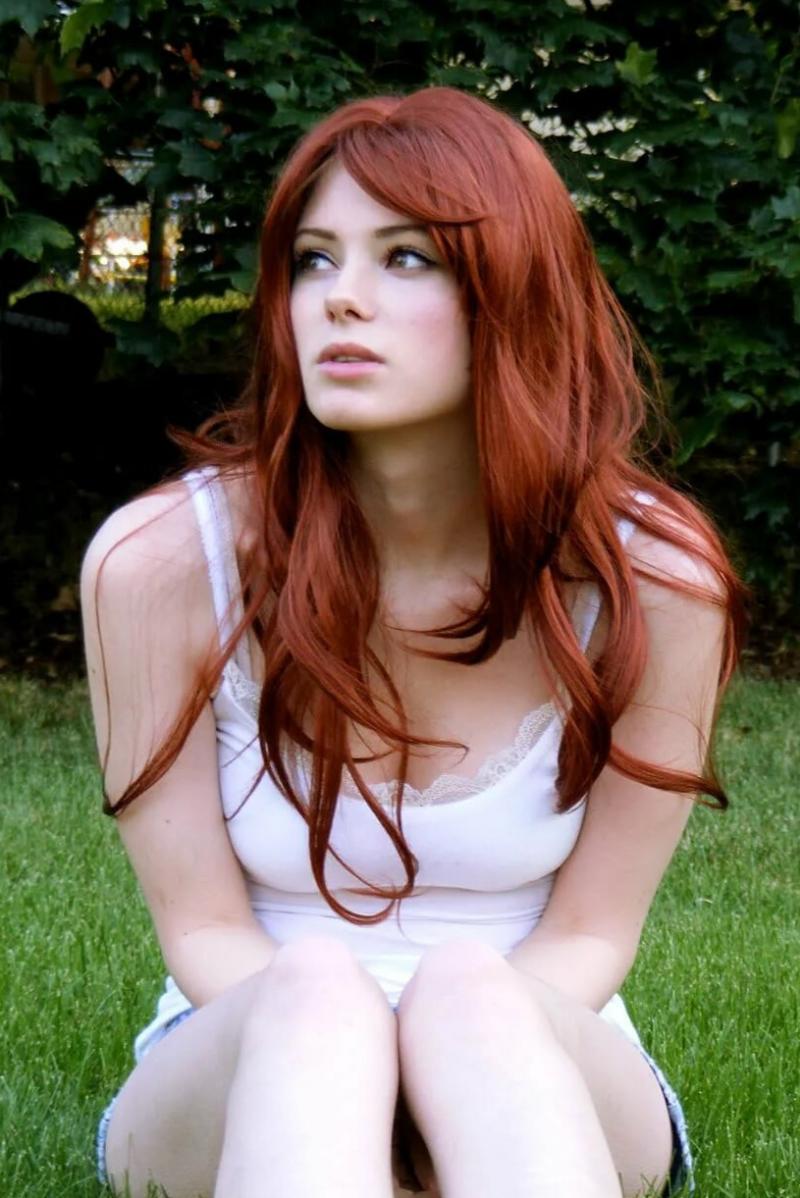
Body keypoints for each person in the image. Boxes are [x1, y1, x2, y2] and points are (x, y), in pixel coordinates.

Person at [81, 86, 746, 1198]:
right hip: (242, 1050)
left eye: (405, 258)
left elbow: (591, 935)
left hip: (540, 1055)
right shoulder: (158, 564)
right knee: (315, 994)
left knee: (471, 993)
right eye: (313, 259)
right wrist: (360, 1098)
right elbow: (200, 931)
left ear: (515, 293)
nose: (339, 298)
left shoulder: (659, 581)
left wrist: (436, 1085)